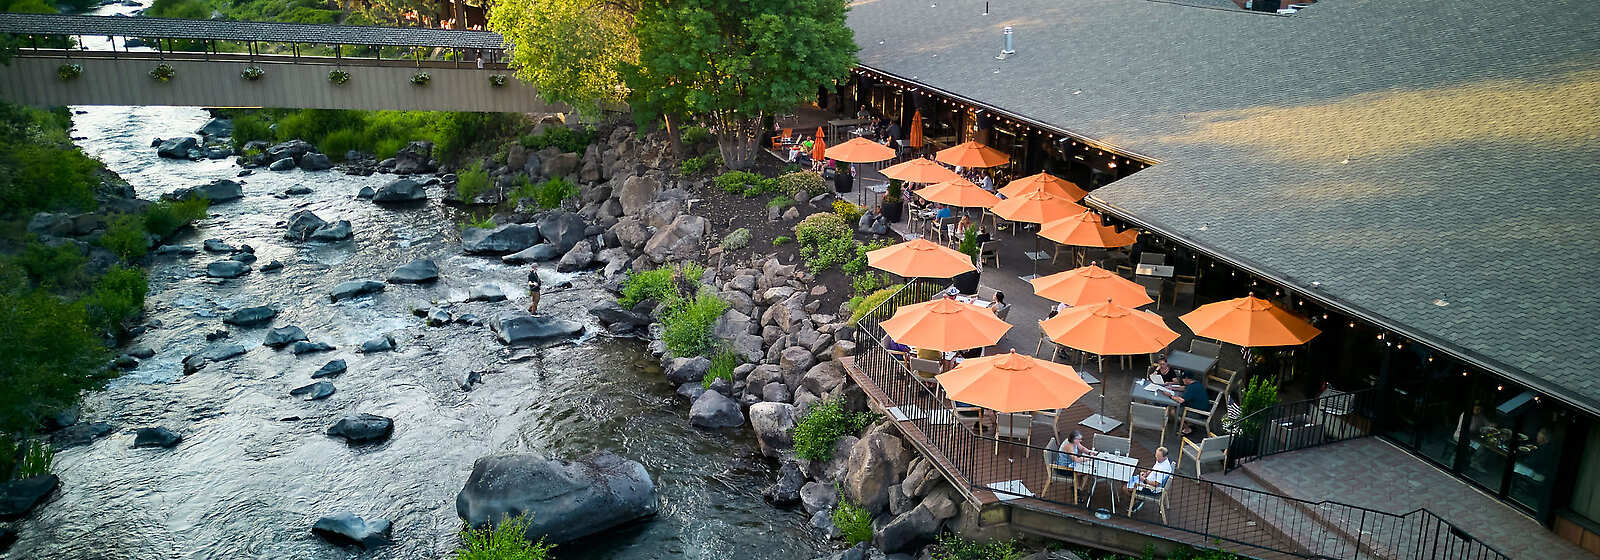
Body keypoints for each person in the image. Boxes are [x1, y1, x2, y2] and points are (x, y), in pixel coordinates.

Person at [1124, 446, 1173, 511]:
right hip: (1148, 481)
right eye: (1156, 455)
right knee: (1127, 480)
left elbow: (1156, 484)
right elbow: (1154, 469)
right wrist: (1146, 473)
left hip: (1151, 489)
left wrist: (1144, 480)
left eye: (1158, 456)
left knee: (1125, 488)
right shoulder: (1162, 461)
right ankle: (1137, 499)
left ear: (1164, 457)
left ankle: (1137, 501)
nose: (1156, 457)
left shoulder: (1162, 469)